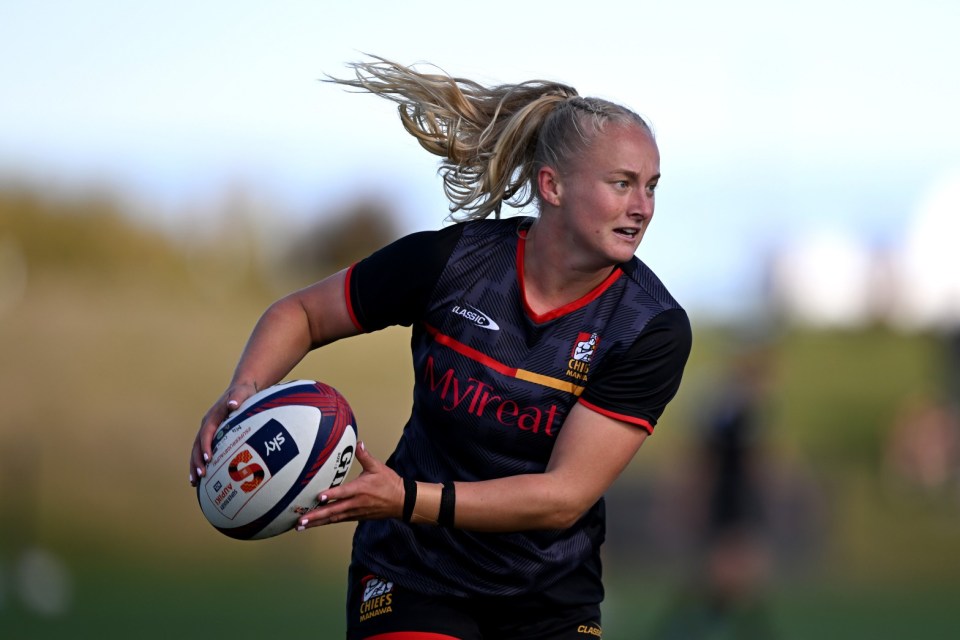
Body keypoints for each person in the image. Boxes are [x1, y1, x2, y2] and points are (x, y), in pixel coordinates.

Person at [189, 56, 692, 640]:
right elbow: (301, 313)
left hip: (547, 599)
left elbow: (561, 497)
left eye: (651, 187)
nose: (643, 207)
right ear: (552, 185)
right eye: (622, 183)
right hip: (413, 573)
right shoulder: (455, 263)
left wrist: (405, 497)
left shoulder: (649, 326)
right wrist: (242, 394)